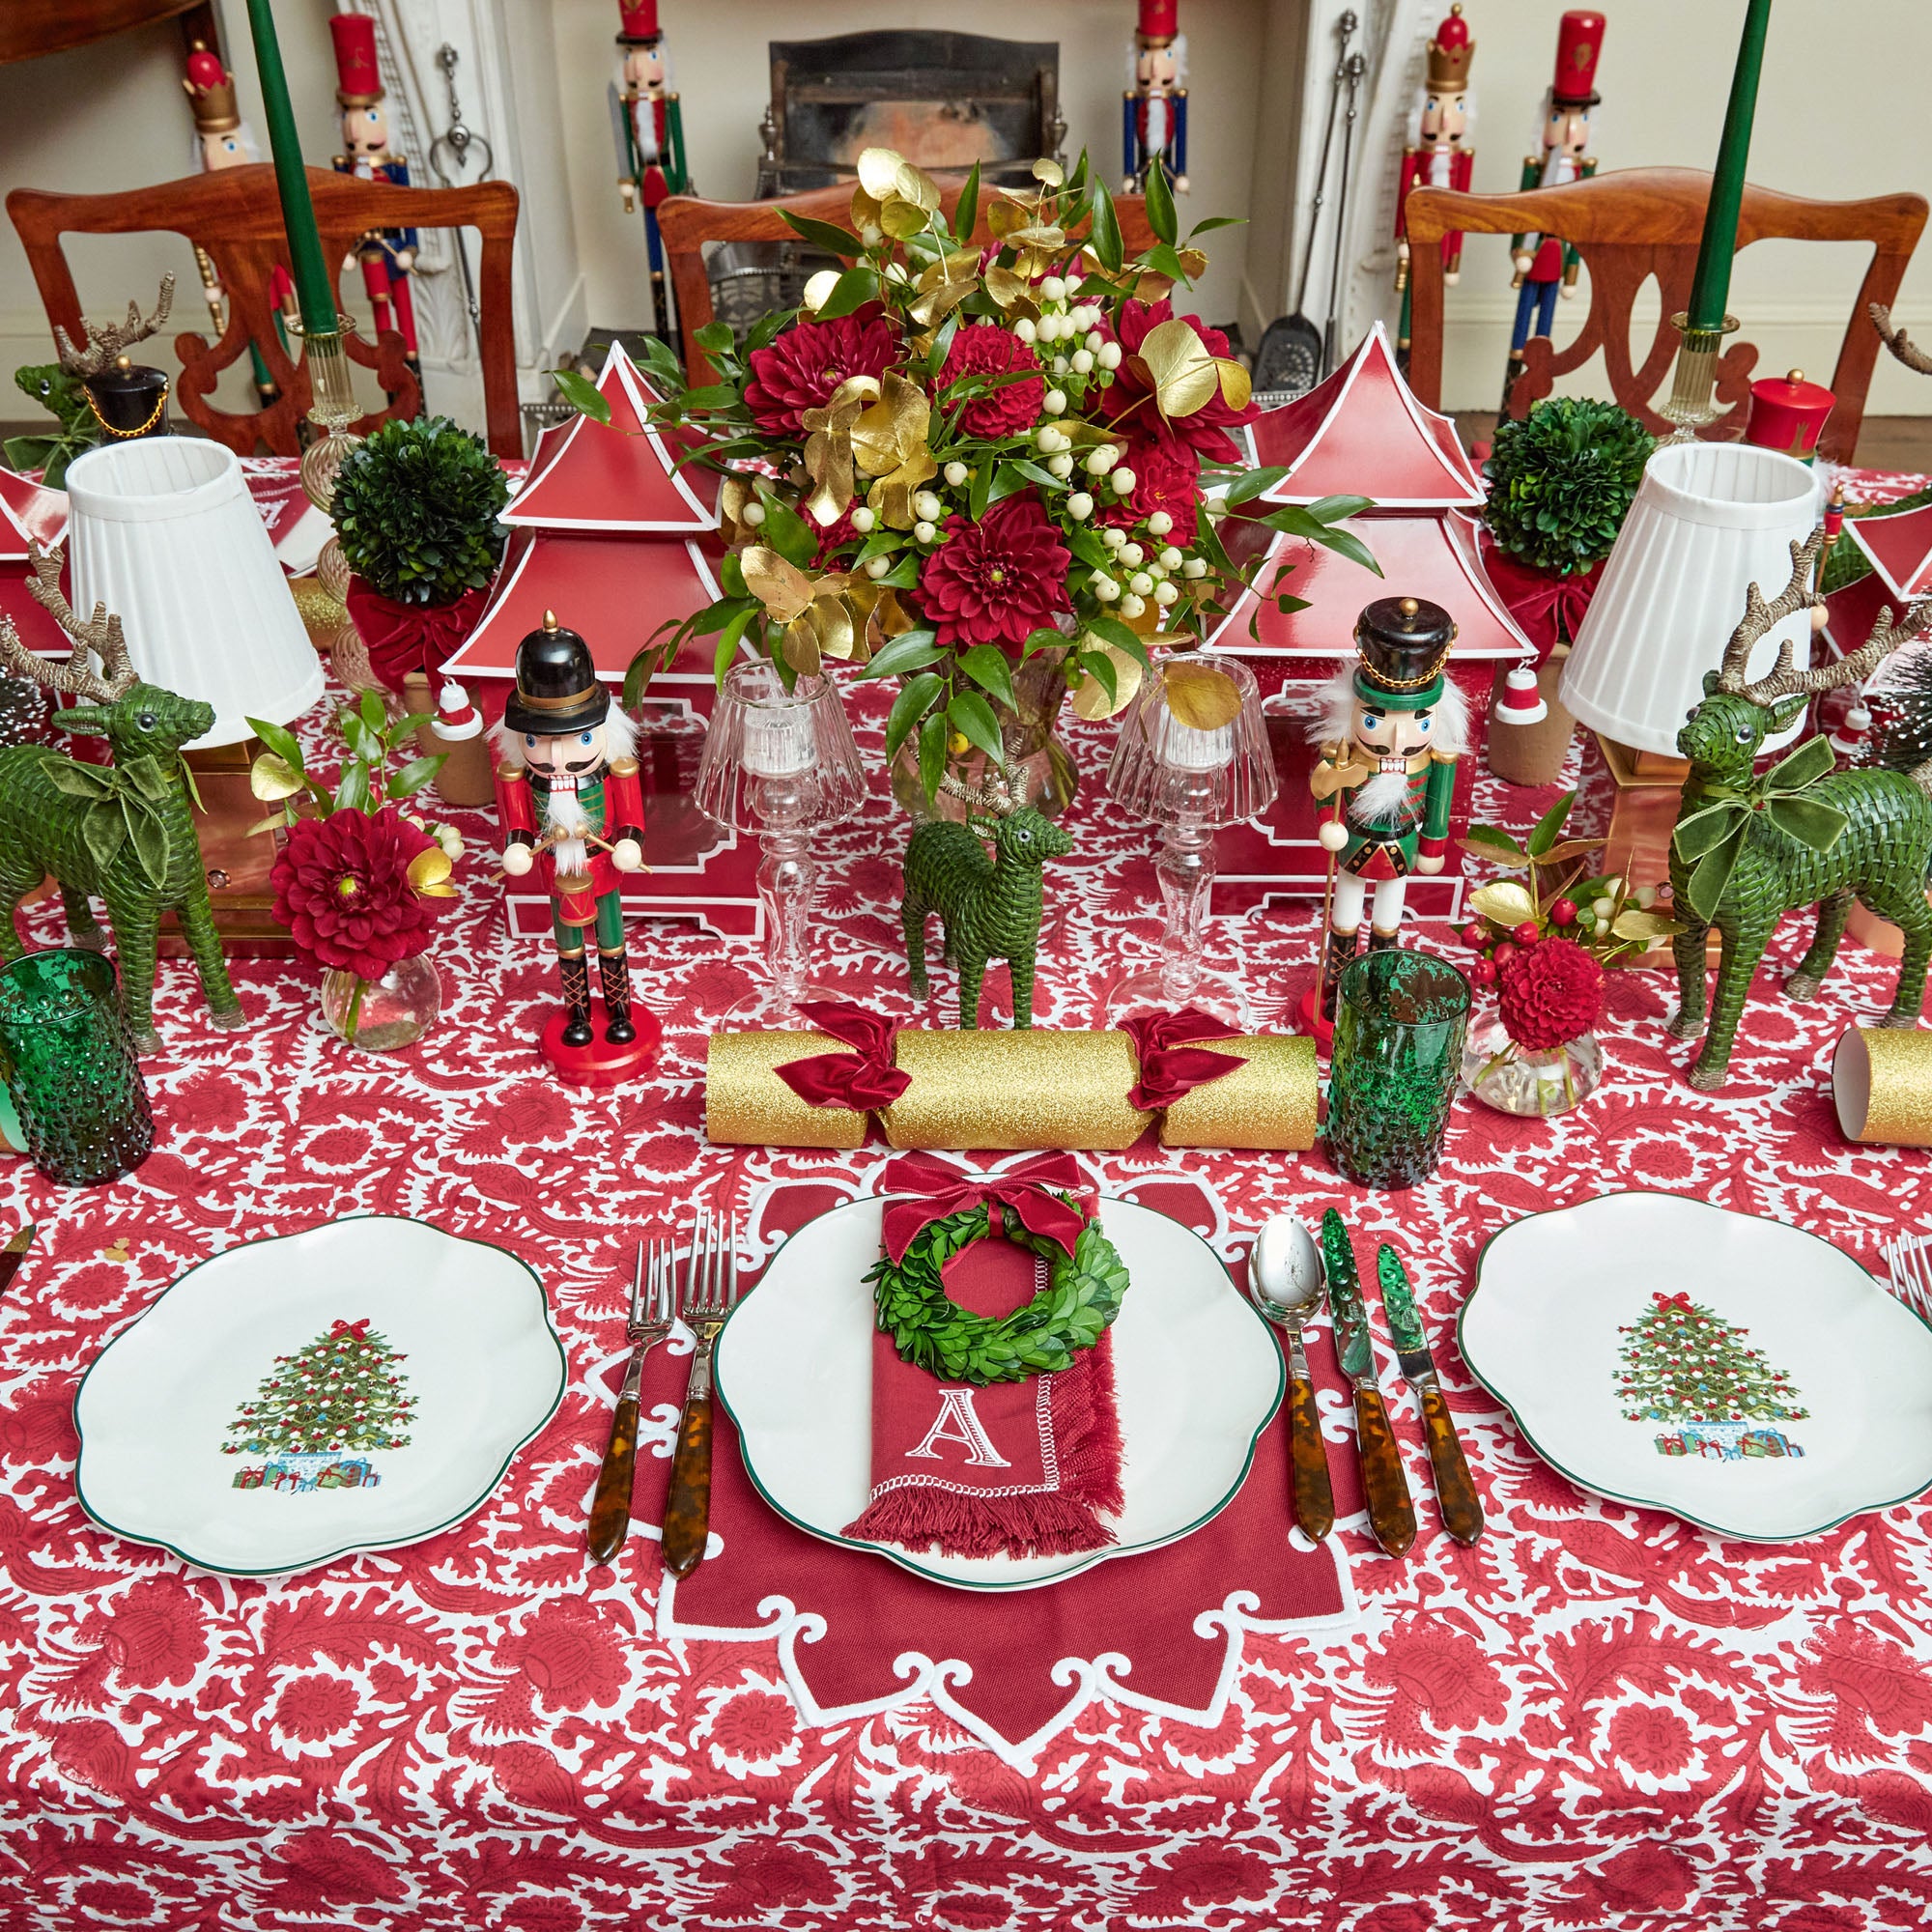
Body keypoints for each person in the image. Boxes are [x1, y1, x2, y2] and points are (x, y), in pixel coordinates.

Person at [1308, 596, 1468, 1019]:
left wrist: (1434, 845)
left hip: (1402, 850)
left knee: (1388, 924)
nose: (1400, 739)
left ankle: (1376, 996)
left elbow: (1439, 804)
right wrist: (1330, 821)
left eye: (1419, 722)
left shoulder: (1434, 760)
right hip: (1353, 849)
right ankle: (1337, 992)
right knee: (1343, 920)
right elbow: (1326, 790)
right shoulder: (1344, 754)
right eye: (1377, 720)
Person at [494, 613, 647, 1057]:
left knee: (612, 937)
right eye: (541, 741)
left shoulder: (615, 770)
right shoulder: (517, 778)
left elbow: (631, 815)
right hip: (556, 868)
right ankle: (578, 1015)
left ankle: (620, 1012)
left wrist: (629, 842)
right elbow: (518, 824)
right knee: (568, 945)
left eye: (579, 739)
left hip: (602, 866)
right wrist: (517, 847)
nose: (556, 755)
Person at [1503, 12, 1603, 411]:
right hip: (1534, 255)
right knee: (1520, 327)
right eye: (1560, 117)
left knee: (1544, 334)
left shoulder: (1586, 173)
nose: (1568, 131)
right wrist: (1519, 251)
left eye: (1579, 118)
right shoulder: (1535, 169)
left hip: (1559, 256)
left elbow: (1581, 227)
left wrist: (1573, 271)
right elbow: (1520, 213)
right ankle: (1511, 384)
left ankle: (1536, 385)